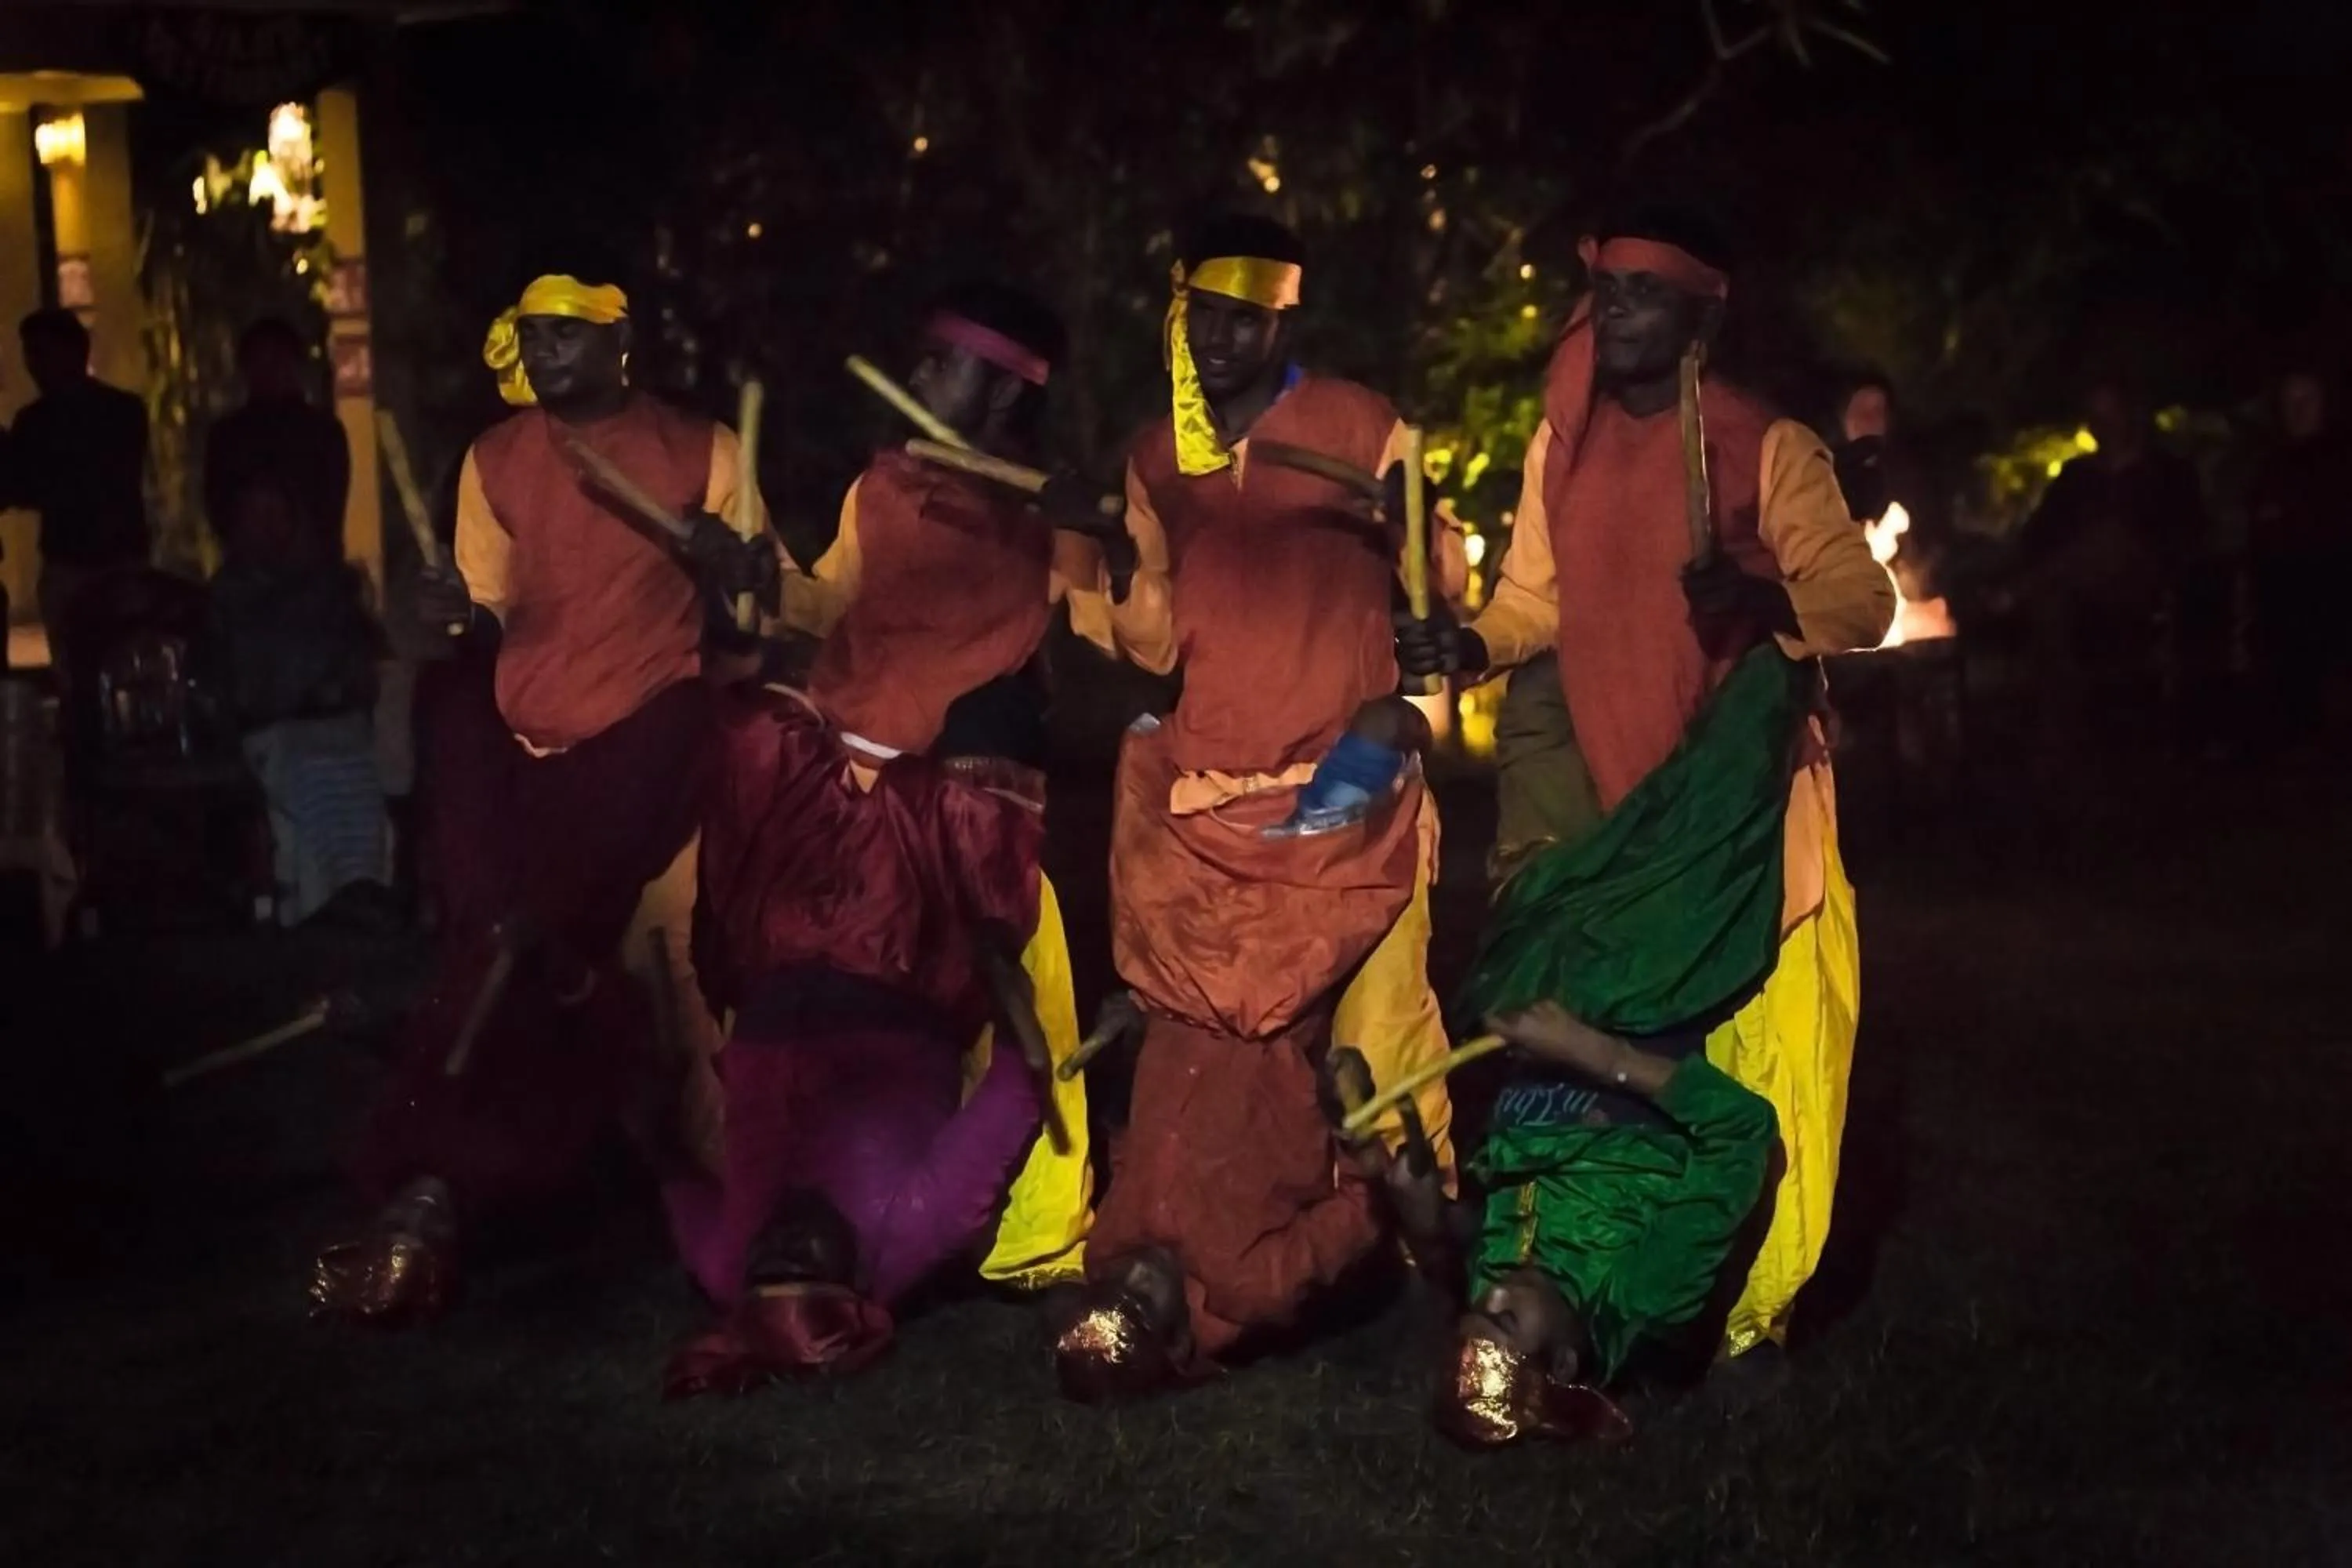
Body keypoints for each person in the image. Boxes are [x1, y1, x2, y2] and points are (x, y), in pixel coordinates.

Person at [1399, 204, 1893, 1370]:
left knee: (1743, 1032)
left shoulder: (1765, 444)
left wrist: (1761, 600)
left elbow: (1863, 606)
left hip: (1725, 797)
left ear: (1701, 318)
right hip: (1608, 779)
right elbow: (1535, 601)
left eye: (1645, 293)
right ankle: (1596, 1219)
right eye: (1608, 288)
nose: (1616, 311)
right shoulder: (1561, 445)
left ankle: (1746, 1299)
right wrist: (1473, 645)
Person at [309, 270, 779, 1327]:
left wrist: (730, 574)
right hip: (523, 734)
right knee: (490, 874)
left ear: (620, 340)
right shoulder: (496, 458)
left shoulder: (701, 448)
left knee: (528, 934)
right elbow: (480, 615)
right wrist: (449, 608)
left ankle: (434, 1183)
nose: (546, 350)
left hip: (650, 723)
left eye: (567, 332)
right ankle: (456, 1168)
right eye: (533, 334)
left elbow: (767, 605)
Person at [1052, 214, 1463, 1397]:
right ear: (1178, 316)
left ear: (1286, 321)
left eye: (1250, 319)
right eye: (1206, 317)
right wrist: (1106, 548)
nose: (1223, 340)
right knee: (1225, 1028)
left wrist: (1415, 555)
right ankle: (1320, 1197)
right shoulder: (1155, 458)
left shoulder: (1359, 424)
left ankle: (1446, 1255)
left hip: (1346, 774)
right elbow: (1149, 644)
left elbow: (1435, 579)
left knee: (1381, 1030)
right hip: (1212, 786)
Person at [663, 284, 1099, 1388]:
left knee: (1009, 958)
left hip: (952, 793)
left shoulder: (1052, 520)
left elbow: (1133, 630)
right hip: (836, 778)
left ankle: (1042, 1240)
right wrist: (760, 587)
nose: (918, 381)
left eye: (944, 367)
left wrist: (1105, 536)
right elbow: (830, 606)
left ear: (1005, 393)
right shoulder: (883, 488)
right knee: (747, 752)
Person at [1360, 1000, 1777, 1447]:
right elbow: (1743, 1129)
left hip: (1539, 1036)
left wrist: (1425, 1213)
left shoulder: (1504, 1281)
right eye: (1506, 1319)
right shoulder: (1645, 1292)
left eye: (1477, 1308)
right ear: (1563, 1363)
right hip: (1651, 1022)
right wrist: (1595, 1053)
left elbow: (1467, 1242)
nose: (1494, 1292)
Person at [205, 470, 391, 927]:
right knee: (304, 775)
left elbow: (360, 658)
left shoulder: (327, 586)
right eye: (255, 516)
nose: (266, 527)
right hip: (272, 734)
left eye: (275, 514)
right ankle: (315, 899)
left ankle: (362, 888)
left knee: (365, 770)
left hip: (338, 725)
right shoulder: (226, 598)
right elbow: (239, 683)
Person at [2012, 380, 2209, 753]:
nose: (2105, 426)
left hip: (2145, 583)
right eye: (2096, 417)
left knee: (2109, 540)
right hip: (2080, 590)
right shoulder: (2076, 477)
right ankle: (2062, 736)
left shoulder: (2168, 473)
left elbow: (2188, 535)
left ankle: (2019, 592)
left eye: (2111, 414)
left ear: (2129, 415)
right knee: (2054, 598)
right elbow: (2036, 535)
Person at [4, 310, 149, 657]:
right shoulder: (123, 409)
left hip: (97, 560)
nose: (34, 364)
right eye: (31, 353)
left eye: (42, 352)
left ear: (74, 351)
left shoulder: (40, 421)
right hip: (91, 559)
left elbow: (25, 485)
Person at [2244, 370, 2347, 750]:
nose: (2298, 411)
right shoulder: (2273, 462)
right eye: (2290, 403)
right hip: (2280, 582)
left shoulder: (2340, 457)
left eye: (2307, 401)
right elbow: (2261, 520)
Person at [203, 318, 351, 560]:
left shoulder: (323, 432)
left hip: (313, 569)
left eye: (276, 361)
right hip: (249, 569)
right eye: (260, 363)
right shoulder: (228, 436)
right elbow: (219, 510)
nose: (269, 372)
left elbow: (329, 510)